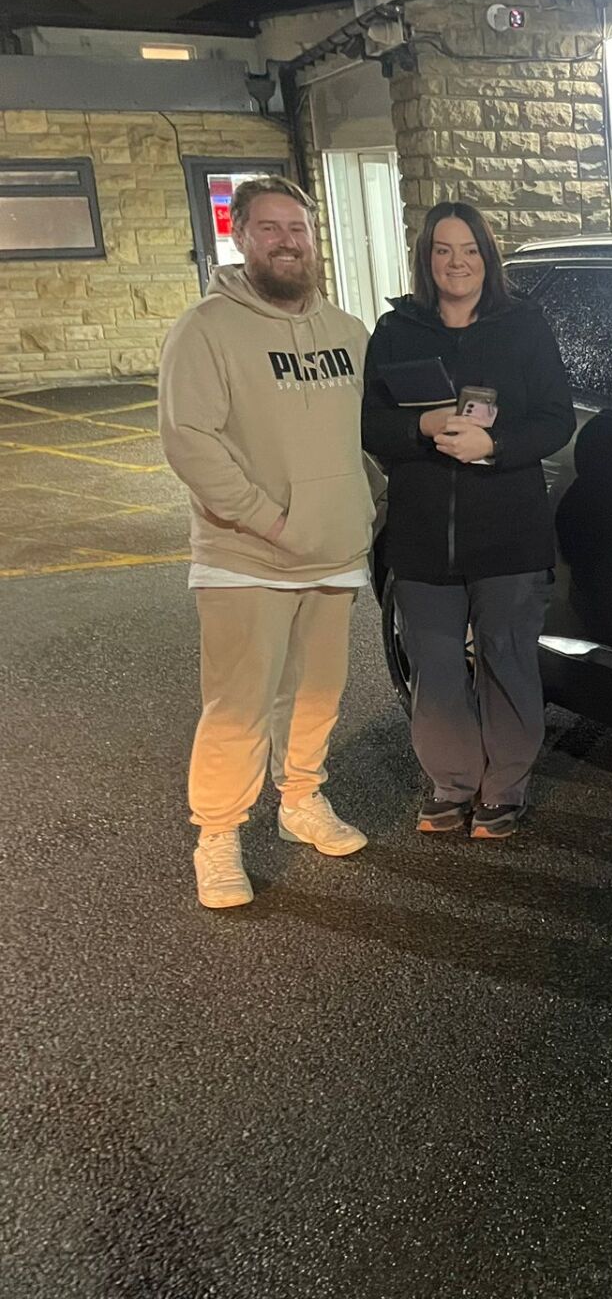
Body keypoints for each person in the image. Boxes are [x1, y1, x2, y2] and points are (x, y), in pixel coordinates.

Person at [157, 176, 375, 910]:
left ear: (314, 238)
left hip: (334, 554)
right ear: (241, 236)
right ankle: (217, 837)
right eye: (270, 229)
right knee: (238, 704)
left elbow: (365, 437)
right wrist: (268, 518)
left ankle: (300, 801)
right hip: (246, 558)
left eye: (299, 229)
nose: (288, 241)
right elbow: (189, 441)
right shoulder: (207, 330)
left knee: (317, 693)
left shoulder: (347, 333)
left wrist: (364, 505)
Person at [362, 202, 574, 839]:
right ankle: (451, 784)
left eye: (470, 250)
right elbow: (369, 425)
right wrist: (419, 426)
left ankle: (505, 786)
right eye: (444, 251)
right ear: (427, 260)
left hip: (508, 530)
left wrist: (496, 445)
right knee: (434, 665)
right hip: (423, 534)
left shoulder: (524, 327)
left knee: (508, 659)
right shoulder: (396, 331)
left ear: (488, 257)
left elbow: (556, 419)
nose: (458, 263)